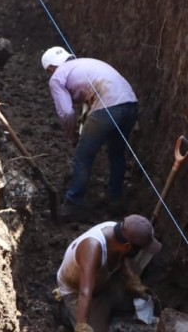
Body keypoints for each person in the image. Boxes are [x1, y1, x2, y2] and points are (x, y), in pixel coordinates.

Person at [41, 46, 139, 221]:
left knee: (82, 156)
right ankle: (114, 199)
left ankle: (72, 205)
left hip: (108, 105)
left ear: (50, 68)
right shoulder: (87, 63)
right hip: (131, 103)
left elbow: (67, 112)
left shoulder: (56, 77)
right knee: (116, 153)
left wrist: (72, 137)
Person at [56, 214, 161, 332]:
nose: (140, 253)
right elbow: (85, 292)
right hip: (76, 291)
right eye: (139, 249)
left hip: (103, 282)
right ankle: (65, 312)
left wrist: (132, 280)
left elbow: (124, 257)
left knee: (136, 302)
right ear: (128, 246)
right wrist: (82, 330)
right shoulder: (92, 248)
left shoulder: (118, 233)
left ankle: (104, 307)